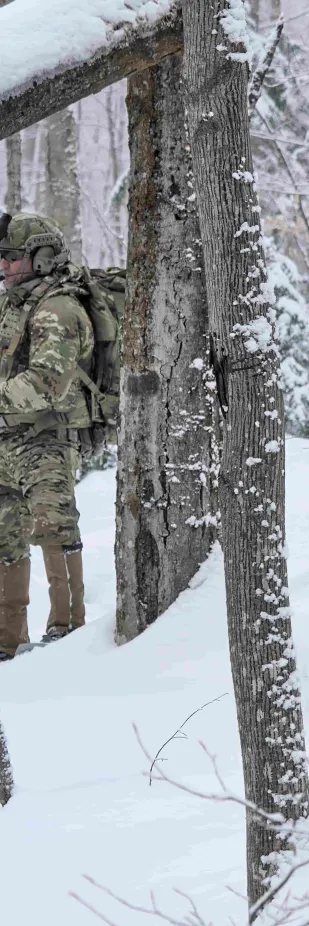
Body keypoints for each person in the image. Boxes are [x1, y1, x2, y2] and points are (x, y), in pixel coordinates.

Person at [0, 213, 92, 662]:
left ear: (42, 258)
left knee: (53, 528)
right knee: (3, 534)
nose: (4, 267)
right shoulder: (12, 304)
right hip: (6, 437)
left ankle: (68, 632)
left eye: (12, 258)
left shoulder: (59, 308)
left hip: (47, 438)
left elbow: (46, 381)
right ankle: (6, 641)